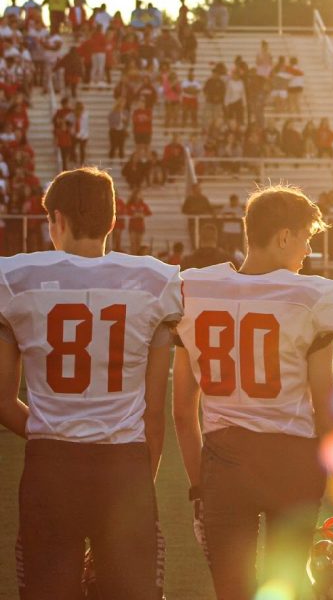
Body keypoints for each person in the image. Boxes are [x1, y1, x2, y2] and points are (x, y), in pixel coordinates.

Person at [0, 167, 182, 598]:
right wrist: (140, 482)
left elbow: (3, 402)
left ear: (56, 220)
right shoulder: (156, 282)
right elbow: (153, 413)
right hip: (124, 470)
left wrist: (53, 429)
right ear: (113, 221)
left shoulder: (14, 279)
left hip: (50, 470)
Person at [172, 184, 333, 599]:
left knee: (233, 591)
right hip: (292, 462)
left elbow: (183, 414)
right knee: (288, 587)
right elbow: (328, 409)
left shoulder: (193, 290)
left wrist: (199, 490)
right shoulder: (313, 297)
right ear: (284, 237)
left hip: (225, 463)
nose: (308, 251)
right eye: (307, 238)